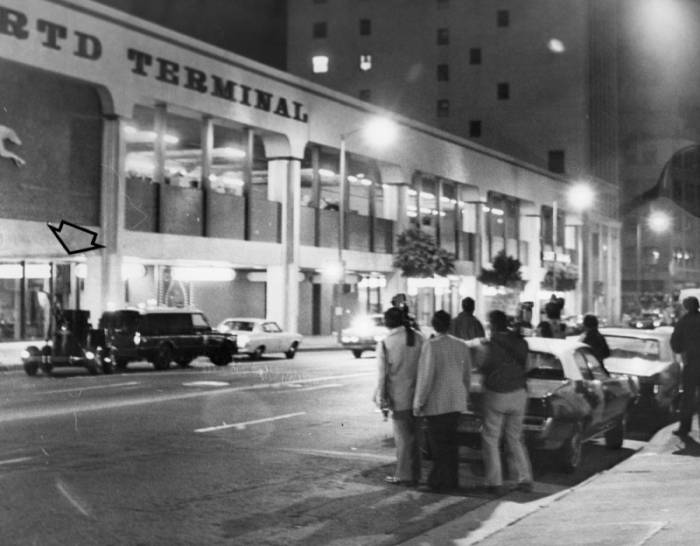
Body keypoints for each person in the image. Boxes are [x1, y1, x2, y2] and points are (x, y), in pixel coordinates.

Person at [413, 310, 476, 492]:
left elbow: (426, 376)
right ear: (450, 325)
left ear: (434, 325)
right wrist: (465, 394)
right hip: (456, 401)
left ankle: (439, 481)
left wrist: (419, 402)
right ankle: (451, 480)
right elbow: (467, 375)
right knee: (451, 443)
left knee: (438, 445)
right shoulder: (461, 345)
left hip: (437, 402)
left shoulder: (431, 346)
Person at [480, 310, 533, 494]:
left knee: (491, 438)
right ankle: (524, 478)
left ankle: (494, 482)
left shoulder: (490, 345)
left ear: (492, 325)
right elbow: (527, 366)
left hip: (497, 394)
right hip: (519, 393)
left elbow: (484, 366)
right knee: (515, 438)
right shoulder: (521, 343)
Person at [374, 306, 424, 485]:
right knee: (416, 438)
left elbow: (383, 375)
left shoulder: (386, 343)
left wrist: (381, 399)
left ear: (388, 322)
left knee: (403, 439)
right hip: (420, 396)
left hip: (399, 397)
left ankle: (405, 475)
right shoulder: (419, 338)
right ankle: (415, 473)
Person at [670, 296, 700, 437]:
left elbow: (675, 343)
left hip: (691, 363)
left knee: (687, 397)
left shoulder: (684, 321)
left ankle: (684, 428)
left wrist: (683, 350)